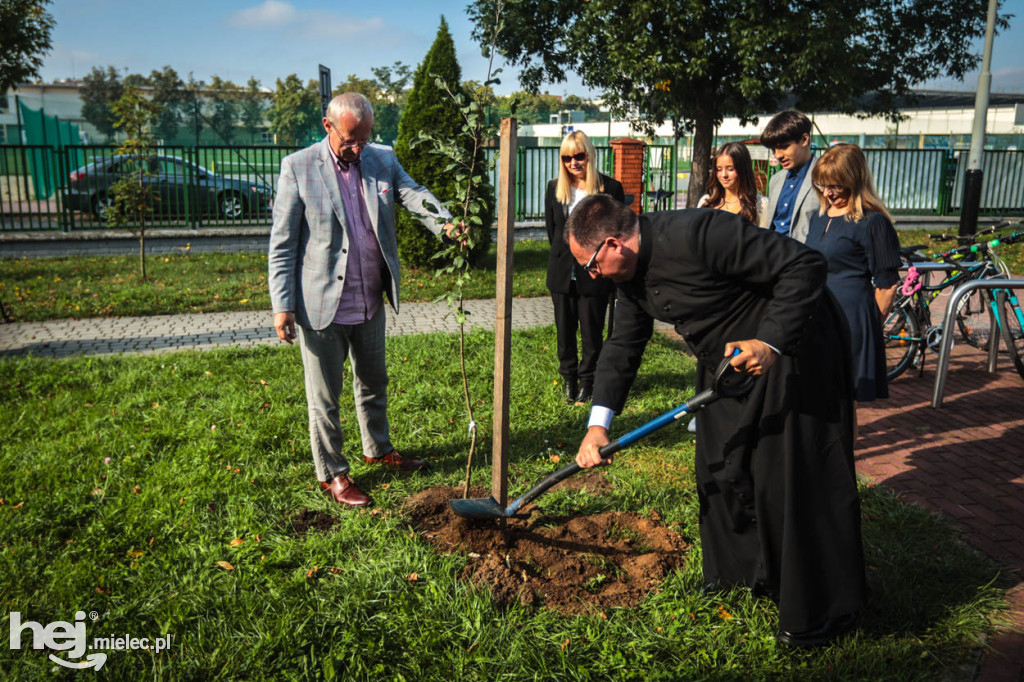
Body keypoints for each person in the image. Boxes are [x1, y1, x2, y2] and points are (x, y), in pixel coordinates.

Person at [565, 194, 867, 647]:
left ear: (612, 244)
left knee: (789, 476)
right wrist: (597, 424)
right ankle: (743, 576)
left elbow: (804, 265)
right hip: (725, 363)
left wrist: (771, 342)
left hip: (792, 349)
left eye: (589, 265)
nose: (590, 276)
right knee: (719, 463)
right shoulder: (627, 278)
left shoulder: (700, 232)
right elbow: (623, 345)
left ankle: (823, 609)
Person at [268, 93, 459, 508]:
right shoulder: (298, 168)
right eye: (351, 139)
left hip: (370, 298)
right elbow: (282, 245)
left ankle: (378, 447)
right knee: (325, 398)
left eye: (365, 138)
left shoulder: (381, 158)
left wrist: (445, 224)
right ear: (328, 126)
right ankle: (333, 474)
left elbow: (411, 193)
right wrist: (281, 305)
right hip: (321, 305)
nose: (358, 148)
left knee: (374, 382)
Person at [806, 143, 901, 403]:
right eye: (822, 185)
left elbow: (887, 284)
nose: (828, 192)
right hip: (817, 318)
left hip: (851, 322)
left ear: (854, 181)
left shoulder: (873, 222)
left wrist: (870, 325)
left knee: (842, 402)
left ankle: (845, 446)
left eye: (836, 186)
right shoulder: (817, 217)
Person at [545, 131, 625, 404]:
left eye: (579, 156)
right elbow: (552, 231)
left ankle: (588, 381)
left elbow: (618, 233)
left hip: (595, 274)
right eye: (567, 158)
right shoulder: (555, 187)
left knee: (592, 333)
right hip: (562, 273)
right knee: (564, 332)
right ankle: (568, 378)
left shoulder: (610, 188)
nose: (573, 163)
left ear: (589, 154)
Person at [762, 110, 820, 242]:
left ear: (804, 140)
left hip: (806, 257)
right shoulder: (776, 180)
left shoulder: (827, 177)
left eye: (784, 147)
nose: (777, 155)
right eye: (773, 150)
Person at [697, 142, 770, 228]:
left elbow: (764, 239)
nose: (724, 175)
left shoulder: (760, 205)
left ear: (743, 169)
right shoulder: (706, 202)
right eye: (719, 169)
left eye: (730, 169)